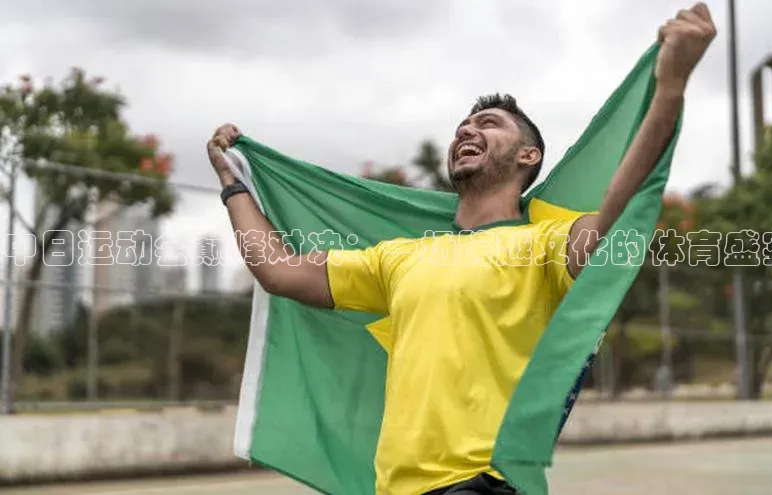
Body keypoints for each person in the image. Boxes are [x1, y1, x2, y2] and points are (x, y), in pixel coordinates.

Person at [206, 4, 716, 494]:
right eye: (463, 128)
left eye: (489, 124)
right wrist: (234, 185)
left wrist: (669, 89)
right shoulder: (400, 257)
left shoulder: (543, 245)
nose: (468, 130)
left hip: (484, 483)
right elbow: (277, 271)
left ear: (528, 155)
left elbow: (617, 213)